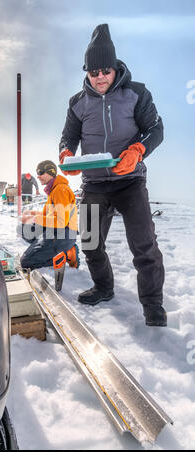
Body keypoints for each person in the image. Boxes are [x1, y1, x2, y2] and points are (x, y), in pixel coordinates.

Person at [59, 24, 166, 327]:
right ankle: (104, 288)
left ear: (115, 67)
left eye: (105, 70)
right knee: (91, 242)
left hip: (130, 181)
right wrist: (66, 155)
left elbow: (155, 130)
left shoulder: (136, 93)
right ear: (87, 72)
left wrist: (137, 151)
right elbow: (67, 137)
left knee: (143, 244)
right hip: (94, 184)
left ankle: (153, 305)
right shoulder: (77, 102)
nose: (100, 77)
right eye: (94, 72)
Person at [20, 160, 79, 270]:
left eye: (41, 172)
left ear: (50, 172)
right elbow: (46, 215)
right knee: (26, 228)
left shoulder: (60, 190)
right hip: (55, 231)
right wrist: (31, 213)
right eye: (37, 173)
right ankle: (47, 249)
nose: (38, 176)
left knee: (26, 262)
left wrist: (34, 218)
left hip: (63, 233)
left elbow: (61, 222)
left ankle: (65, 255)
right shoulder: (53, 190)